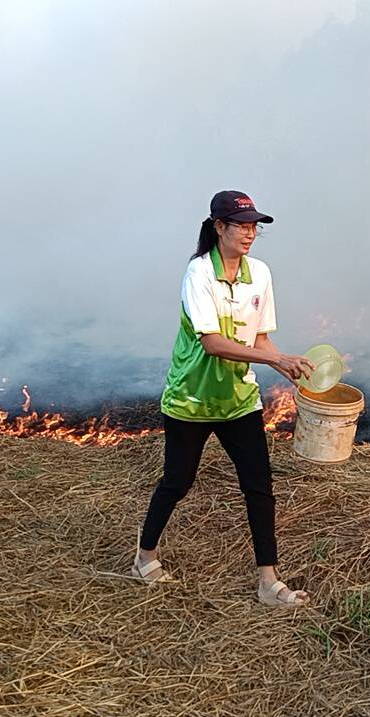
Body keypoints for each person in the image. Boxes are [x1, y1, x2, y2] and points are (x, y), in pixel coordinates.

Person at [133, 190, 315, 607]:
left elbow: (261, 336)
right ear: (218, 227)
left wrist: (282, 363)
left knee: (259, 486)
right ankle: (144, 556)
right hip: (191, 400)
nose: (249, 233)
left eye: (254, 227)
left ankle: (268, 582)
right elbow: (213, 343)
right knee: (177, 482)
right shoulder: (198, 274)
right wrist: (275, 359)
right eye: (241, 225)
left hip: (238, 400)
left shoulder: (261, 275)